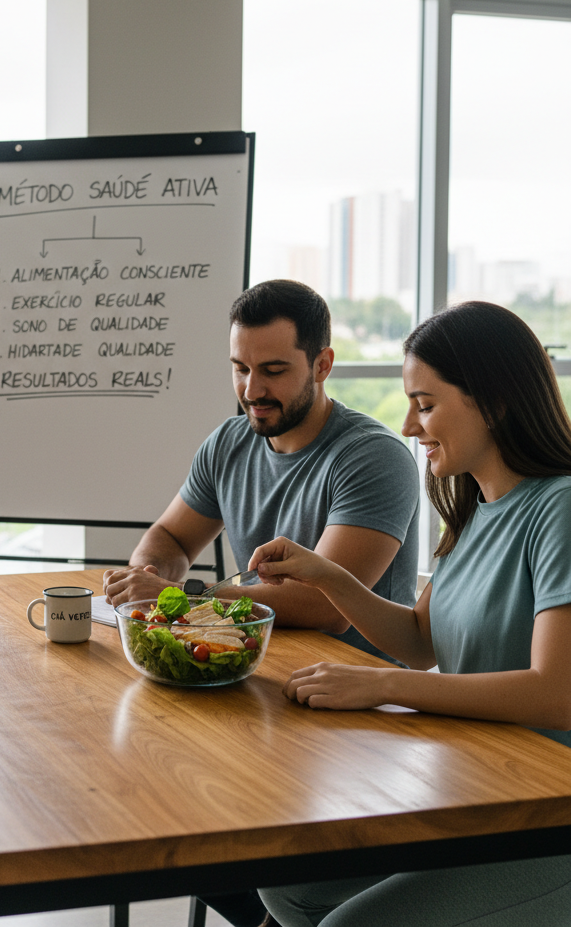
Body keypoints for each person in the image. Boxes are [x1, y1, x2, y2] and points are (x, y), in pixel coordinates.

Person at [247, 301, 571, 926]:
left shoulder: (558, 509)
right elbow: (422, 640)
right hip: (483, 791)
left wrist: (387, 686)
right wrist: (327, 575)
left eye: (424, 404)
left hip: (549, 812)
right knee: (288, 890)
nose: (409, 425)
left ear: (495, 401)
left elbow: (557, 694)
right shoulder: (474, 509)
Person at [103, 280, 420, 662]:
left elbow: (327, 608)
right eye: (241, 368)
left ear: (322, 365)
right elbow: (172, 536)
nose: (252, 390)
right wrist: (146, 580)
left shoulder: (374, 458)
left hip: (364, 692)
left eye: (273, 370)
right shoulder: (228, 443)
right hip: (256, 664)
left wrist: (180, 593)